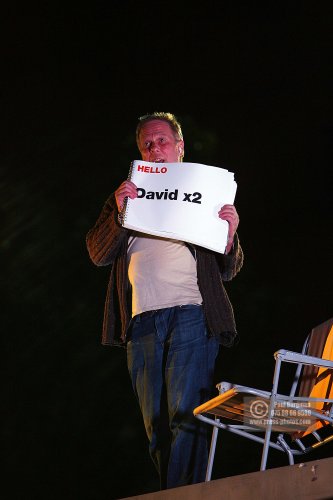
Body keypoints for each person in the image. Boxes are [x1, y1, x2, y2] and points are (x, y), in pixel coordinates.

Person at [86, 112, 243, 490]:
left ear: (180, 147)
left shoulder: (205, 191)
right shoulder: (128, 193)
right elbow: (97, 252)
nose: (155, 149)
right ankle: (174, 492)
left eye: (162, 141)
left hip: (191, 313)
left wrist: (230, 234)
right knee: (155, 426)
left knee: (186, 414)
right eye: (147, 144)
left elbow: (229, 266)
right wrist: (119, 213)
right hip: (140, 322)